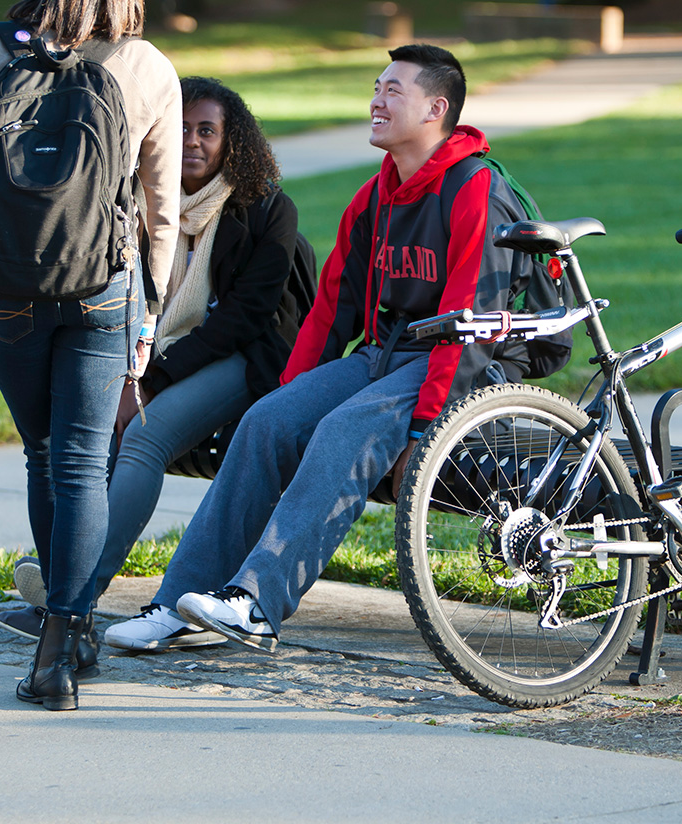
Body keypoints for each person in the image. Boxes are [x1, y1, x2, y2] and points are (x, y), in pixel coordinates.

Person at [105, 42, 546, 655]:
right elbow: (329, 311)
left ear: (435, 109)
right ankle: (182, 604)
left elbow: (474, 325)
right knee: (267, 421)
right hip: (396, 349)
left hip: (478, 358)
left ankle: (257, 602)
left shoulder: (475, 189)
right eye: (376, 86)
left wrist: (424, 429)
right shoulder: (376, 196)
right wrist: (293, 398)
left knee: (347, 428)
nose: (376, 98)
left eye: (394, 90)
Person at [0, 0, 181, 710]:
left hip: (5, 290)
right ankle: (64, 641)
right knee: (81, 462)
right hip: (106, 286)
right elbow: (162, 209)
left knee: (44, 457)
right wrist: (151, 308)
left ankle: (57, 637)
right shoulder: (147, 68)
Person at [2, 76, 303, 648]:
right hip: (150, 357)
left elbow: (244, 318)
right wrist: (125, 370)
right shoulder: (137, 206)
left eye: (207, 131)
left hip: (244, 360)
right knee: (90, 435)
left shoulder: (266, 211)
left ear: (232, 142)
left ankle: (73, 602)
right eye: (182, 128)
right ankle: (63, 579)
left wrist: (148, 378)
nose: (192, 141)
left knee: (143, 434)